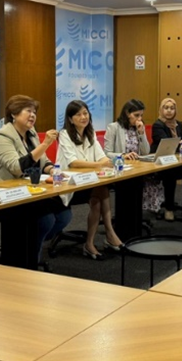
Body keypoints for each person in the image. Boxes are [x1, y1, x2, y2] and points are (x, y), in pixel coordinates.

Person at [0, 94, 71, 265]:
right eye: (28, 111)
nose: (33, 115)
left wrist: (53, 170)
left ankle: (29, 247)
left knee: (64, 213)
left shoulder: (31, 134)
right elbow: (17, 167)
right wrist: (45, 144)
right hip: (4, 192)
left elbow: (43, 162)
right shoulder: (2, 136)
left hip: (30, 189)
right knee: (45, 219)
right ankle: (27, 259)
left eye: (35, 112)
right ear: (13, 114)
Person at [56, 100, 123, 259]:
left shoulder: (90, 133)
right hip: (68, 184)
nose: (83, 117)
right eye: (78, 114)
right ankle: (108, 234)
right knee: (100, 192)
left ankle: (93, 242)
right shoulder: (64, 134)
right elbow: (73, 163)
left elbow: (103, 157)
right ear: (70, 119)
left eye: (85, 113)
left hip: (88, 181)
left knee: (99, 195)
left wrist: (99, 163)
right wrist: (98, 165)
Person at [105, 99, 160, 212]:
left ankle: (136, 214)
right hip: (121, 168)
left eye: (141, 115)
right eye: (136, 115)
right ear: (127, 113)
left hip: (137, 167)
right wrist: (123, 155)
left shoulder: (138, 128)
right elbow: (107, 153)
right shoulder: (114, 127)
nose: (139, 119)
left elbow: (145, 152)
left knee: (153, 177)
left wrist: (141, 133)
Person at [151, 97, 182, 221]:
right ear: (161, 109)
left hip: (176, 159)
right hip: (159, 161)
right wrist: (181, 143)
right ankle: (169, 208)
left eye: (172, 108)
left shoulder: (179, 125)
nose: (169, 111)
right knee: (170, 174)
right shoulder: (158, 125)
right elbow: (166, 143)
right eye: (166, 108)